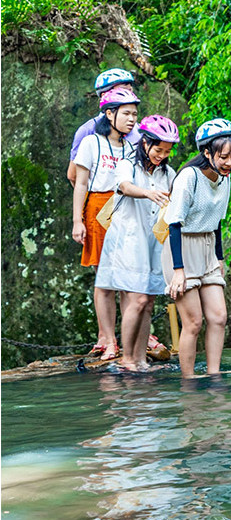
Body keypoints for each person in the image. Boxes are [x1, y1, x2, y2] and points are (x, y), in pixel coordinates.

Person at [95, 115, 179, 371]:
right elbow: (123, 186)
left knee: (149, 301)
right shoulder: (128, 164)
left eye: (166, 151)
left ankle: (140, 359)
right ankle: (127, 359)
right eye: (157, 149)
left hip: (152, 241)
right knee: (138, 300)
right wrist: (148, 193)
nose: (161, 155)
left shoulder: (169, 173)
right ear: (145, 143)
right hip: (127, 241)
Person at [162, 118, 231, 378]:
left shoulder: (225, 179)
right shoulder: (189, 177)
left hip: (207, 247)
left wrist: (218, 257)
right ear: (207, 153)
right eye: (224, 156)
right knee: (193, 322)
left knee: (219, 317)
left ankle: (214, 375)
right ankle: (189, 379)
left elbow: (216, 221)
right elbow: (174, 223)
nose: (230, 162)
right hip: (181, 248)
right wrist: (178, 270)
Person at [71, 84, 140, 358]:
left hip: (124, 209)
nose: (132, 119)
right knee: (105, 279)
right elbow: (80, 183)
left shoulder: (132, 145)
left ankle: (129, 339)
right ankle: (109, 339)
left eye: (134, 114)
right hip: (98, 208)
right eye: (126, 113)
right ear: (109, 114)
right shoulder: (91, 142)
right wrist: (78, 221)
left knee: (126, 279)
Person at [66, 68, 138, 187]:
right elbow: (73, 175)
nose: (129, 96)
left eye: (131, 91)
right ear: (105, 95)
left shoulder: (138, 131)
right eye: (124, 91)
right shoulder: (87, 130)